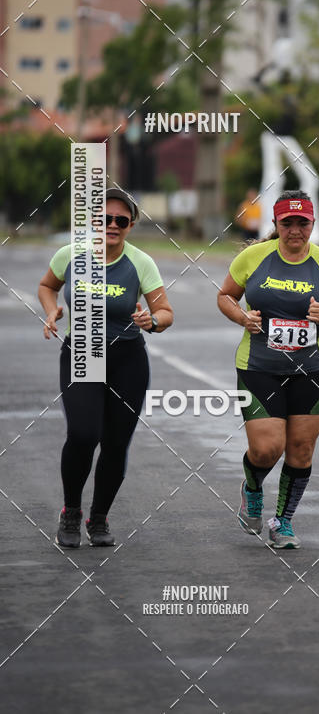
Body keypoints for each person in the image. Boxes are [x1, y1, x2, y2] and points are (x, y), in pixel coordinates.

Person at [38, 188, 174, 549]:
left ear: (130, 225)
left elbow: (166, 312)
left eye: (121, 220)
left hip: (127, 359)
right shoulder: (70, 255)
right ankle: (70, 511)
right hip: (82, 353)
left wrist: (152, 321)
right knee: (83, 434)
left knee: (116, 443)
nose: (112, 225)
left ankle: (98, 518)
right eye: (104, 219)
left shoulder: (140, 263)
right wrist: (53, 310)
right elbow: (47, 286)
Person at [217, 189, 319, 549]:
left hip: (310, 370)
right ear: (276, 224)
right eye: (287, 223)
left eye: (302, 223)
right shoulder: (255, 257)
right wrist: (242, 317)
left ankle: (284, 522)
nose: (295, 230)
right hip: (260, 367)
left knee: (301, 449)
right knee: (266, 449)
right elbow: (225, 296)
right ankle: (252, 487)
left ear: (312, 224)